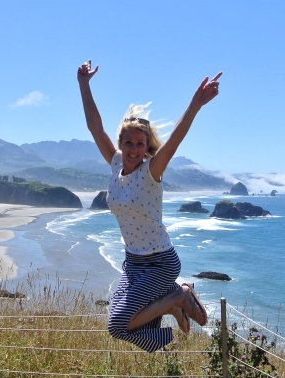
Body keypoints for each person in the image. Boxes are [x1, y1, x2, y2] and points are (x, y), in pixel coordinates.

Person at [77, 59, 221, 352]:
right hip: (133, 263)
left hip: (161, 263)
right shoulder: (116, 163)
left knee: (118, 324)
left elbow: (175, 141)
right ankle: (172, 304)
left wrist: (195, 103)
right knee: (122, 326)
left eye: (140, 144)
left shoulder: (151, 171)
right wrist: (83, 84)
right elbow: (94, 127)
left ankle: (176, 299)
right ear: (121, 143)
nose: (133, 149)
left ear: (147, 147)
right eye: (128, 142)